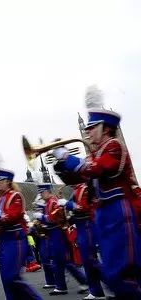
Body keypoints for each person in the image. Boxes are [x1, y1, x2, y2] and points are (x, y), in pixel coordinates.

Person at [52, 84, 141, 299]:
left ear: (105, 127)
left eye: (91, 127)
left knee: (123, 273)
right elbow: (80, 178)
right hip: (102, 214)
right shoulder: (95, 153)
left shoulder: (113, 145)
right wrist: (61, 166)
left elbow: (96, 169)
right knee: (111, 271)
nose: (87, 132)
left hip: (119, 211)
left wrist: (67, 157)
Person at [0, 168, 42, 300]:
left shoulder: (15, 196)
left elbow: (9, 217)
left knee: (13, 278)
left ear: (7, 181)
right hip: (3, 242)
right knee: (6, 280)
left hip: (15, 240)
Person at [33, 183, 88, 295]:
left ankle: (83, 280)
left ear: (48, 191)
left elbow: (54, 218)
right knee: (57, 261)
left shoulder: (54, 202)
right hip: (52, 233)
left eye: (42, 192)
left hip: (58, 232)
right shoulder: (48, 203)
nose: (42, 195)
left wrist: (42, 217)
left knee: (63, 260)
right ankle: (61, 286)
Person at [57, 183, 105, 299]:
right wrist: (68, 218)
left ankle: (114, 283)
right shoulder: (76, 190)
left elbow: (84, 207)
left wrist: (67, 204)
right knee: (87, 261)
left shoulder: (84, 188)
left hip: (88, 225)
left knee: (90, 260)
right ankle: (95, 290)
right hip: (81, 226)